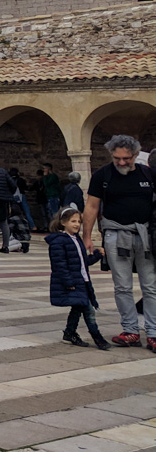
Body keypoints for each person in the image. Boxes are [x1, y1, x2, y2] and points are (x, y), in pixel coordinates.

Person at [82, 134, 155, 349]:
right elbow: (92, 206)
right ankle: (131, 330)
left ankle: (153, 332)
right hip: (115, 233)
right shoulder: (102, 175)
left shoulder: (148, 174)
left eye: (126, 158)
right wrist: (87, 236)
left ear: (135, 155)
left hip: (145, 234)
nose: (122, 163)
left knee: (150, 285)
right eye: (117, 158)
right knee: (122, 286)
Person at [48, 204, 110, 349]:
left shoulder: (76, 240)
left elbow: (82, 262)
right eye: (73, 221)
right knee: (88, 309)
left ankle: (69, 334)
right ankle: (97, 337)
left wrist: (96, 256)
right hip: (73, 282)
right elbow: (59, 265)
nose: (77, 224)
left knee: (78, 308)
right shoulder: (58, 241)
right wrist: (68, 282)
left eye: (79, 222)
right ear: (63, 222)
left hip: (82, 280)